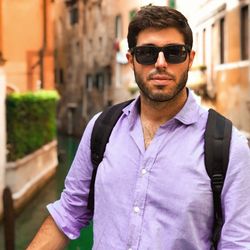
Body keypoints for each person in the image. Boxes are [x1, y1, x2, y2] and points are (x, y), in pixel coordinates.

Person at [27, 5, 250, 250]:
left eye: (174, 52)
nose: (161, 63)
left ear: (190, 59)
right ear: (131, 60)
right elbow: (67, 213)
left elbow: (237, 244)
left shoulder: (230, 147)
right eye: (147, 53)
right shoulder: (101, 129)